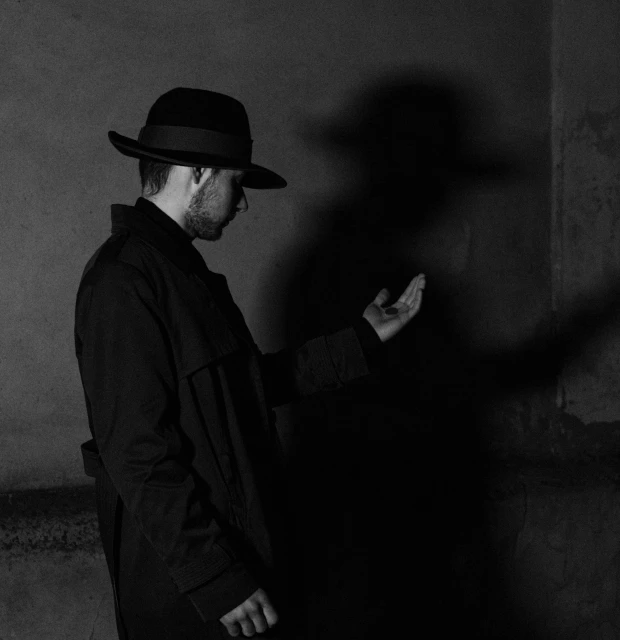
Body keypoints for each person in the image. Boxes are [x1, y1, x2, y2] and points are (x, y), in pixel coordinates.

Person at [74, 87, 425, 640]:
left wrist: (361, 341)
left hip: (240, 567)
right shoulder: (123, 282)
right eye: (236, 182)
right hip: (191, 599)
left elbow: (242, 390)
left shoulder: (182, 276)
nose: (241, 202)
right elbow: (137, 454)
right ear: (198, 174)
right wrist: (216, 577)